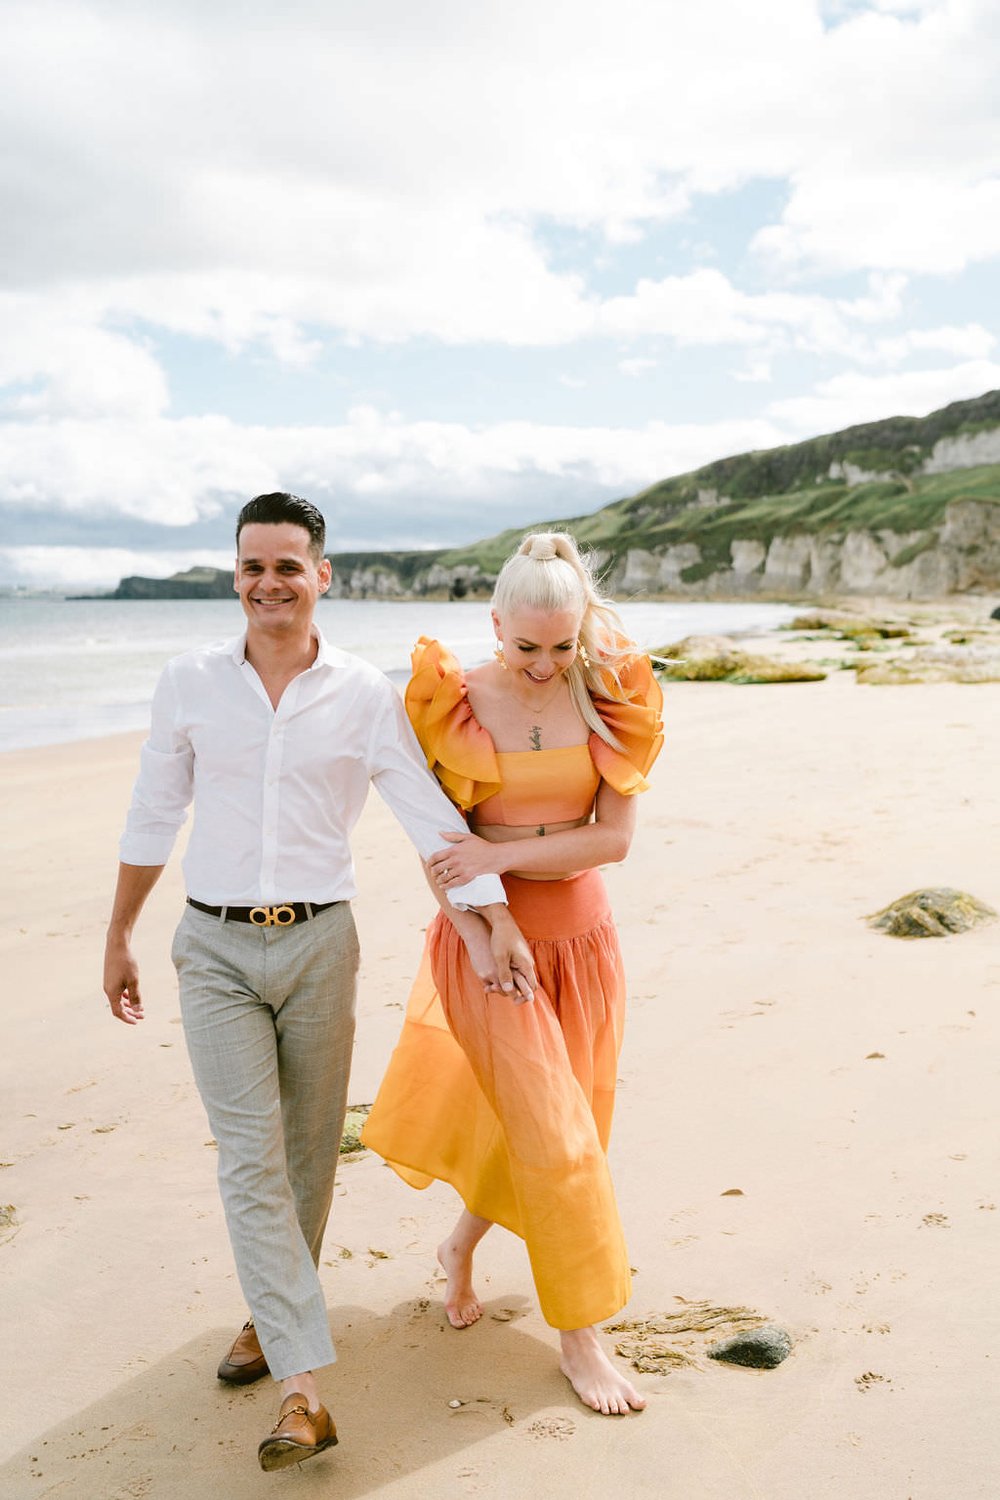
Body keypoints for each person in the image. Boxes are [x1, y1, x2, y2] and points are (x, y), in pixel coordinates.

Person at [102, 492, 536, 1473]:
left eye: (287, 566)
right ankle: (303, 1395)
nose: (268, 584)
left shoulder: (361, 694)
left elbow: (425, 816)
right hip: (210, 949)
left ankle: (265, 1318)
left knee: (303, 1158)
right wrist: (118, 934)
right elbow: (150, 811)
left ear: (322, 575)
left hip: (319, 946)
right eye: (252, 566)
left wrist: (494, 911)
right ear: (237, 575)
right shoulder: (189, 682)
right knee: (249, 1157)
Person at [362, 531, 663, 1416]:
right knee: (555, 1136)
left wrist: (494, 845)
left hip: (587, 943)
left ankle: (459, 1246)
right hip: (488, 950)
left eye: (562, 646)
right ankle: (583, 1337)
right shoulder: (448, 704)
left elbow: (614, 840)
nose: (544, 665)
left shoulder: (616, 695)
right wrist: (486, 923)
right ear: (494, 624)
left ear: (582, 631)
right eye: (526, 646)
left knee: (568, 1127)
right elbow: (436, 849)